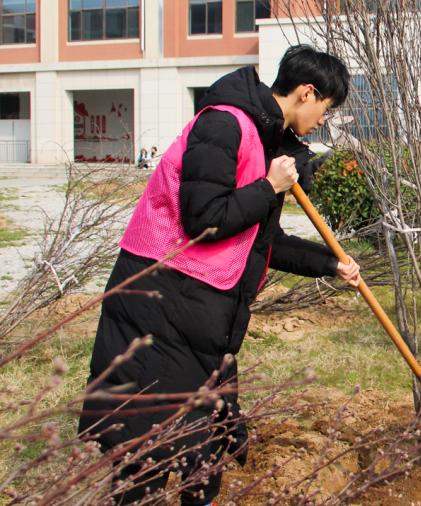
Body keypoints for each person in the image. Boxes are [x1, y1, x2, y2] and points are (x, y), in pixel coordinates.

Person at [79, 45, 362, 506]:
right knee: (147, 451)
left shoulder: (266, 140)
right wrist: (268, 186)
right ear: (307, 92)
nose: (323, 121)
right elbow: (205, 219)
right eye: (326, 109)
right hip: (159, 303)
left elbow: (257, 240)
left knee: (203, 448)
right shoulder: (224, 124)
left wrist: (330, 263)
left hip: (197, 314)